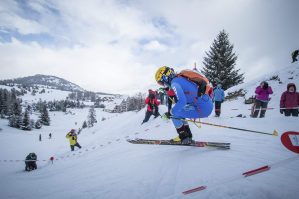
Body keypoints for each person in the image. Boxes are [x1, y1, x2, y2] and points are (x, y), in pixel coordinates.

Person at [155, 66, 213, 144]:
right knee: (179, 111)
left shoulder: (174, 83)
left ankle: (184, 137)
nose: (164, 85)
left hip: (203, 108)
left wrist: (170, 112)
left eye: (162, 83)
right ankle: (188, 136)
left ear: (165, 78)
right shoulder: (180, 78)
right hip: (206, 104)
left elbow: (182, 101)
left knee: (174, 114)